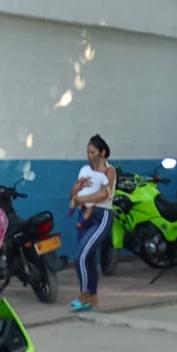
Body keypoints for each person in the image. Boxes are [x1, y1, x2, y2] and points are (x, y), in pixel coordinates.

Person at [68, 135, 116, 314]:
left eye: (93, 152)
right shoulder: (85, 171)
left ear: (102, 153)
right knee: (88, 258)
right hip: (85, 216)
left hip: (101, 216)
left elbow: (106, 195)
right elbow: (73, 192)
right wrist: (76, 192)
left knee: (80, 256)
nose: (89, 156)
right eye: (88, 152)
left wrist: (83, 199)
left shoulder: (109, 171)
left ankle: (85, 294)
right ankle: (92, 299)